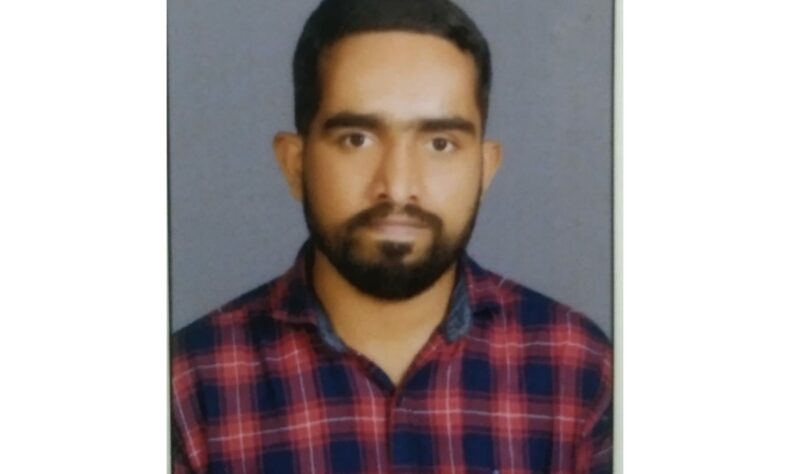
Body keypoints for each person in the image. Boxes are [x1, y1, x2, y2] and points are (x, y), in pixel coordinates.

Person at [171, 0, 612, 472]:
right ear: (295, 163)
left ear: (485, 169)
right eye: (357, 139)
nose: (399, 186)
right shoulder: (188, 387)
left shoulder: (577, 370)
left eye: (440, 143)